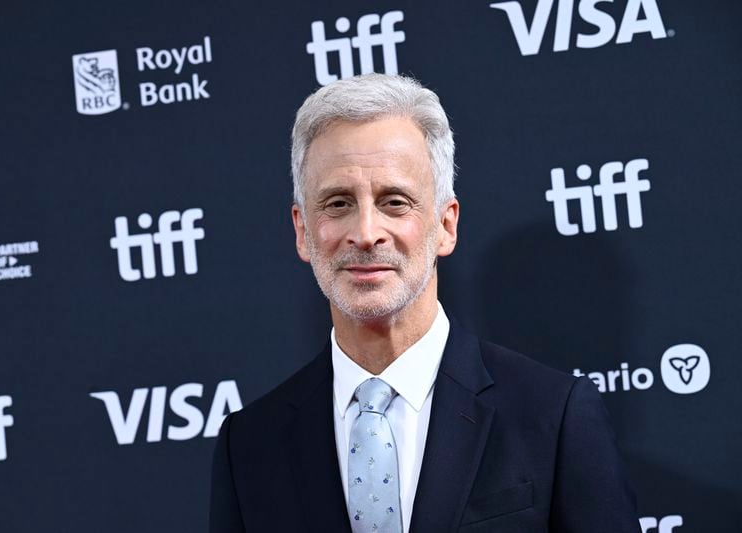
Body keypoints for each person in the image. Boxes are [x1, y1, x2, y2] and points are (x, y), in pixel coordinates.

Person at [210, 74, 639, 533]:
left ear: (445, 225)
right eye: (337, 204)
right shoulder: (249, 446)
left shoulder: (554, 416)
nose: (366, 232)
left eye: (394, 202)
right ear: (302, 230)